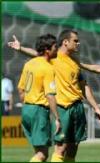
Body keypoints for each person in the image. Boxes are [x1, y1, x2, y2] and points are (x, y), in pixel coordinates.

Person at [8, 30, 100, 162]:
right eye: (75, 41)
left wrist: (96, 108)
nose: (78, 43)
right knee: (60, 149)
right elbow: (37, 54)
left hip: (77, 107)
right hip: (62, 108)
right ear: (66, 42)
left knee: (72, 148)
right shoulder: (54, 57)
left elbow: (84, 86)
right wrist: (20, 48)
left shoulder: (75, 61)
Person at [17, 34, 61, 162]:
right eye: (55, 47)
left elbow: (21, 88)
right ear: (47, 50)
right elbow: (50, 95)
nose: (57, 49)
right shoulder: (47, 68)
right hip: (39, 112)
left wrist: (28, 103)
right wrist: (57, 118)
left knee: (40, 153)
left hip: (27, 109)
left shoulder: (29, 64)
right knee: (42, 155)